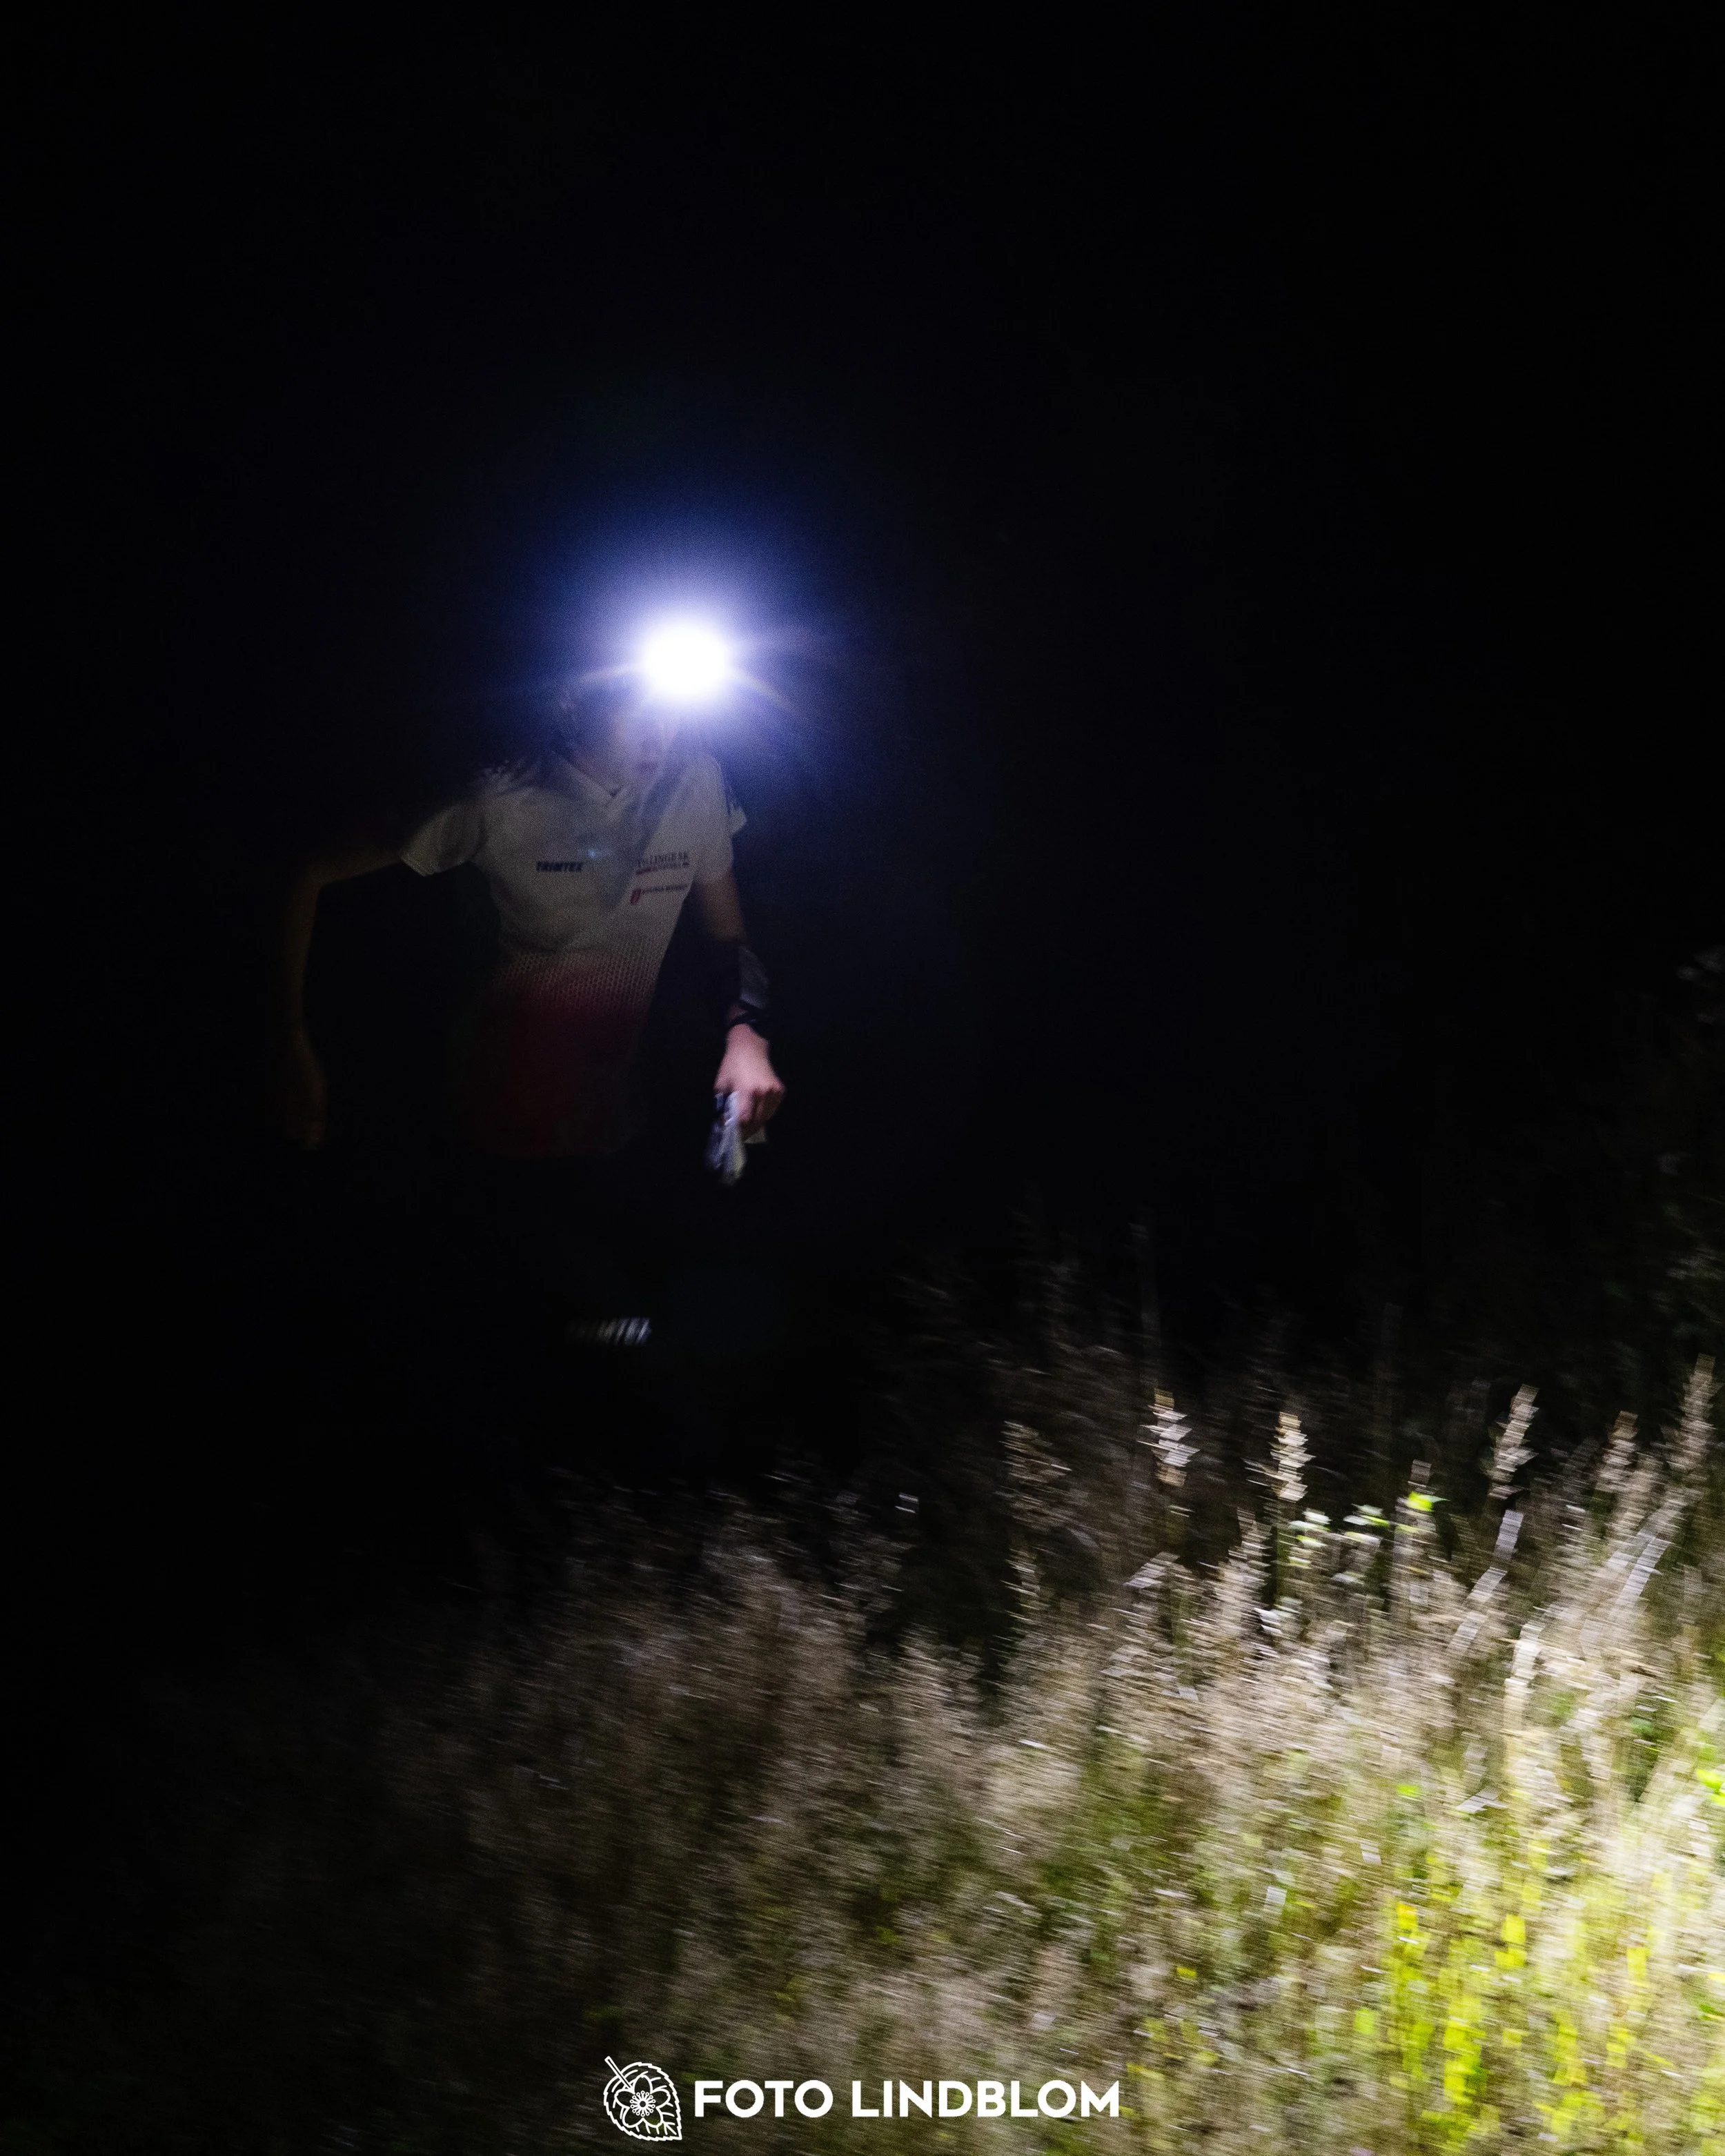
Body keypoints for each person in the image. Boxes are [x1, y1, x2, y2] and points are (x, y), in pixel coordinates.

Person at [268, 669, 786, 1492]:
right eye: (635, 714)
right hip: (488, 1121)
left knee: (640, 1328)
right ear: (576, 706)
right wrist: (290, 1042)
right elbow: (304, 872)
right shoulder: (497, 800)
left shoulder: (696, 779)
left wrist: (744, 1031)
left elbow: (728, 940)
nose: (660, 735)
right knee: (595, 1340)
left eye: (673, 713)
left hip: (615, 1112)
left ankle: (653, 1496)